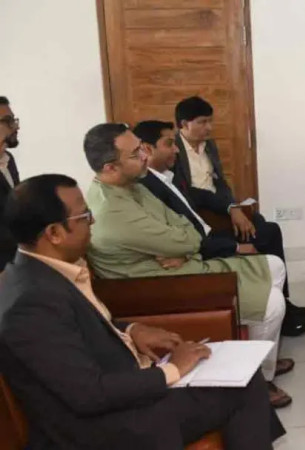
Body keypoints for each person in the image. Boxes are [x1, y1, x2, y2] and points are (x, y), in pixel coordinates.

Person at [0, 174, 285, 449]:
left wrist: (132, 329)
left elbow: (76, 329)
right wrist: (173, 370)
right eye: (84, 216)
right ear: (54, 233)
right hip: (102, 428)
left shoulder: (44, 271)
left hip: (118, 389)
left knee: (241, 375)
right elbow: (87, 393)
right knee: (243, 388)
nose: (93, 221)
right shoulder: (30, 303)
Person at [83, 123, 293, 408]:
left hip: (179, 269)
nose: (144, 156)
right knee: (272, 305)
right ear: (110, 167)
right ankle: (260, 381)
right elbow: (186, 238)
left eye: (142, 148)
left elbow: (187, 230)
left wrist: (184, 247)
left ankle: (261, 355)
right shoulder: (112, 212)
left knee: (275, 266)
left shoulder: (133, 187)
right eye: (135, 153)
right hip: (161, 287)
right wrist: (185, 246)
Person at [133, 119, 305, 337]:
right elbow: (186, 240)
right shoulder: (147, 188)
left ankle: (285, 305)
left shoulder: (167, 177)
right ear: (148, 149)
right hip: (203, 247)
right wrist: (235, 247)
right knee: (265, 234)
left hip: (207, 232)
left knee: (265, 226)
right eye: (169, 144)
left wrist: (231, 207)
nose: (176, 149)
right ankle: (280, 310)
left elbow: (201, 194)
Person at [0, 96, 21, 269]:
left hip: (15, 261)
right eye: (8, 121)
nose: (16, 126)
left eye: (13, 120)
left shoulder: (9, 159)